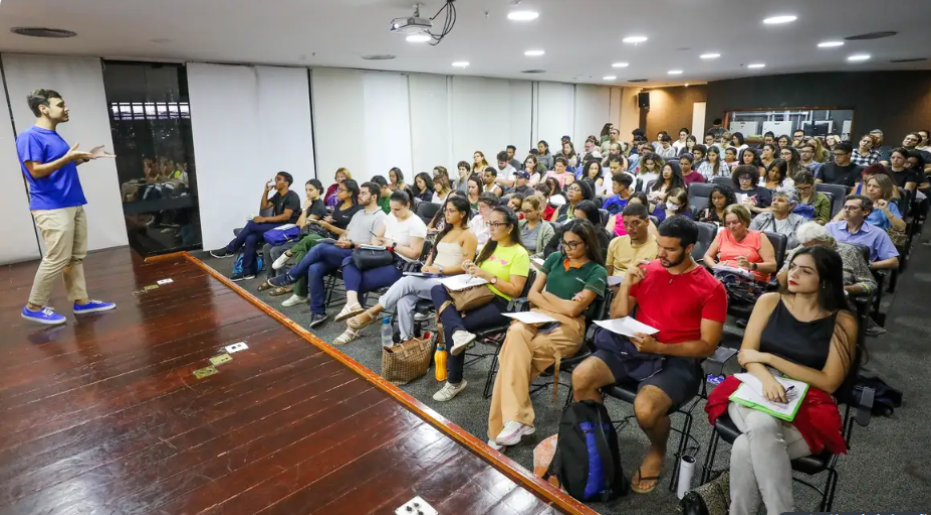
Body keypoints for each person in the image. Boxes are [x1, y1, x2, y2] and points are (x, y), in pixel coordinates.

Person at [572, 216, 727, 494]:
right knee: (582, 376)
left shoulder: (711, 288)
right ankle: (598, 445)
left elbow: (707, 346)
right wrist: (628, 283)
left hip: (676, 359)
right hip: (634, 346)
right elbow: (619, 314)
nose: (660, 254)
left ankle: (657, 449)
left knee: (645, 409)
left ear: (689, 248)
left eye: (669, 249)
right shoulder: (649, 270)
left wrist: (660, 348)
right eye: (659, 246)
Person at [706, 245, 859, 515]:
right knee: (762, 422)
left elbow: (829, 382)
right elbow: (747, 356)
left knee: (745, 447)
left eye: (806, 270)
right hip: (756, 384)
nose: (794, 273)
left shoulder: (842, 321)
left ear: (824, 281)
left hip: (810, 399)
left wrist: (772, 359)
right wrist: (768, 378)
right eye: (794, 266)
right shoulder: (770, 302)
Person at [488, 219, 607, 450]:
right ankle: (517, 421)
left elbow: (573, 311)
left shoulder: (596, 271)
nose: (568, 249)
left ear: (588, 243)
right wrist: (559, 302)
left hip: (569, 328)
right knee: (515, 333)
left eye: (574, 244)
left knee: (511, 358)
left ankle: (502, 428)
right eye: (565, 244)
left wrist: (548, 298)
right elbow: (532, 294)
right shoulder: (554, 259)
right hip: (537, 318)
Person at [17, 89, 118, 324]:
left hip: (72, 202)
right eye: (60, 104)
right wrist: (68, 158)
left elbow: (58, 169)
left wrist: (85, 157)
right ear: (43, 109)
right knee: (56, 258)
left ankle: (81, 302)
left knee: (75, 257)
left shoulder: (54, 136)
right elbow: (35, 171)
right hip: (51, 206)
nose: (66, 108)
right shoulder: (29, 136)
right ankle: (33, 306)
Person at [338, 197, 476, 343]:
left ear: (462, 214)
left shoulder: (468, 236)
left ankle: (373, 311)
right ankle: (407, 341)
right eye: (445, 210)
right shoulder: (444, 232)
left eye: (451, 211)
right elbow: (433, 253)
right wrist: (426, 266)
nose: (446, 214)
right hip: (432, 276)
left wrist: (439, 270)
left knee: (408, 280)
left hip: (449, 282)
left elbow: (463, 267)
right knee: (404, 300)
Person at [431, 206, 531, 401]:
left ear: (509, 228)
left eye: (495, 224)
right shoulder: (490, 246)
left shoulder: (520, 254)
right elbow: (479, 270)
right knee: (436, 288)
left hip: (500, 302)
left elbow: (515, 290)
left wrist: (489, 277)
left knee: (454, 326)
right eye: (489, 223)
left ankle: (455, 381)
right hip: (477, 292)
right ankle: (459, 332)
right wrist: (471, 267)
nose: (491, 228)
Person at [266, 183, 388, 326]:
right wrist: (343, 237)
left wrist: (352, 243)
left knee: (320, 248)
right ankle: (318, 313)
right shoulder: (359, 214)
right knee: (314, 268)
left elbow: (375, 244)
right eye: (360, 193)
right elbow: (346, 232)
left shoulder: (381, 217)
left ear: (374, 196)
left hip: (360, 255)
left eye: (363, 193)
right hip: (346, 250)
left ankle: (291, 276)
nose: (359, 195)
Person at [779, 221, 882, 336]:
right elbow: (780, 277)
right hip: (798, 302)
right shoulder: (800, 251)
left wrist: (845, 288)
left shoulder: (849, 253)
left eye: (812, 245)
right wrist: (792, 269)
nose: (808, 250)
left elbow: (870, 284)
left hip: (833, 305)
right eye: (804, 245)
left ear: (824, 240)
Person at [210, 172, 301, 281]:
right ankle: (248, 271)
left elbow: (286, 216)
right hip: (277, 227)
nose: (275, 182)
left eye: (278, 179)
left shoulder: (292, 196)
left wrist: (265, 219)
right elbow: (264, 206)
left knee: (252, 224)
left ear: (286, 183)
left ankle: (230, 249)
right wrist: (266, 191)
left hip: (287, 228)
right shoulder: (278, 196)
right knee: (250, 238)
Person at [260, 179, 328, 288]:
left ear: (318, 191)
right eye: (306, 190)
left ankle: (282, 283)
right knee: (266, 247)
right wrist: (304, 213)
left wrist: (304, 209)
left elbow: (302, 225)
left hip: (307, 239)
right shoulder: (310, 203)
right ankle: (270, 279)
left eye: (311, 190)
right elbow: (298, 223)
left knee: (275, 250)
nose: (308, 192)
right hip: (299, 235)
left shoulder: (318, 207)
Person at [704, 204, 778, 283]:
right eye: (728, 223)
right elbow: (707, 256)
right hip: (725, 279)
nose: (731, 226)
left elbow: (772, 266)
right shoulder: (723, 233)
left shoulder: (759, 237)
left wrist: (751, 265)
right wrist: (715, 266)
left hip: (752, 283)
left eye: (735, 222)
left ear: (745, 221)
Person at [826, 195, 899, 269]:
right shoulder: (830, 227)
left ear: (865, 212)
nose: (847, 210)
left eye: (853, 208)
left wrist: (869, 265)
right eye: (845, 207)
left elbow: (894, 262)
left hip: (857, 273)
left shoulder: (877, 233)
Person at [606, 203, 658, 276]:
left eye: (635, 223)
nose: (629, 228)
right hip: (614, 285)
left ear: (647, 222)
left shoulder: (658, 246)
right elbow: (609, 273)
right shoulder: (615, 243)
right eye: (626, 223)